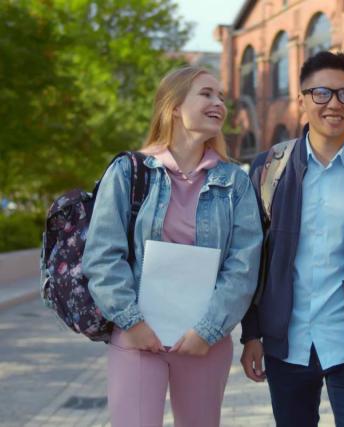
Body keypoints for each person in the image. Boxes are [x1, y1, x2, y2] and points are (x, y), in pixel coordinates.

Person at [239, 51, 344, 427]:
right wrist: (251, 333)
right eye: (321, 93)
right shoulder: (270, 169)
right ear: (302, 100)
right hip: (287, 348)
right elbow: (251, 259)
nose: (334, 103)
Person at [82, 66, 262, 427]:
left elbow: (243, 266)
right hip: (136, 337)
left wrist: (207, 331)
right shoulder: (128, 172)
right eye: (206, 94)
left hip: (203, 343)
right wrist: (132, 323)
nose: (219, 103)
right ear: (175, 106)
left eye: (221, 97)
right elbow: (102, 256)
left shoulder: (235, 182)